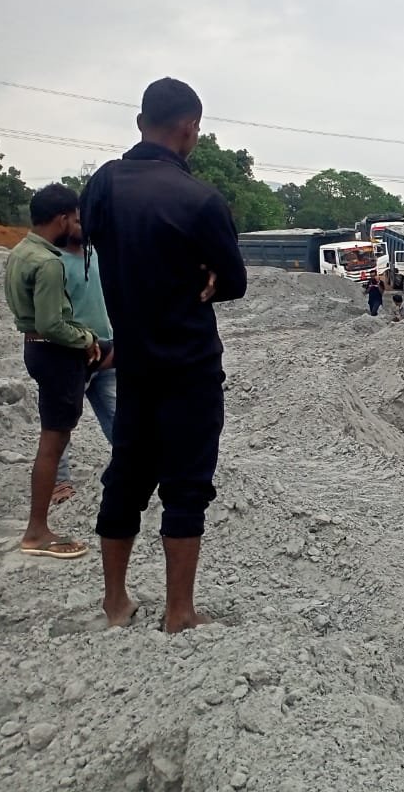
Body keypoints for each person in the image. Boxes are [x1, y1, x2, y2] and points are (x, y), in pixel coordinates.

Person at [81, 77, 248, 631]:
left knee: (125, 473)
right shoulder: (200, 199)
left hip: (134, 364)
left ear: (140, 123)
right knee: (186, 484)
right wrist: (207, 278)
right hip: (190, 366)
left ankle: (115, 604)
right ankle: (179, 612)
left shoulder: (102, 185)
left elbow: (103, 245)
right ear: (190, 127)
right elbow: (235, 281)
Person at [2, 183, 101, 559]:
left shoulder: (21, 252)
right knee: (53, 443)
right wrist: (87, 337)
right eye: (74, 218)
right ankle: (37, 531)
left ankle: (37, 528)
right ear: (62, 219)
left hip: (36, 350)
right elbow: (52, 324)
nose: (77, 224)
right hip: (55, 355)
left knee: (53, 440)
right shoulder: (50, 262)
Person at [52, 226, 118, 505]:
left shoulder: (96, 255)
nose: (83, 225)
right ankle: (59, 482)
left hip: (106, 350)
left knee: (119, 414)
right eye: (77, 220)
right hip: (71, 353)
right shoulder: (54, 264)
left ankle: (132, 463)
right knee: (60, 423)